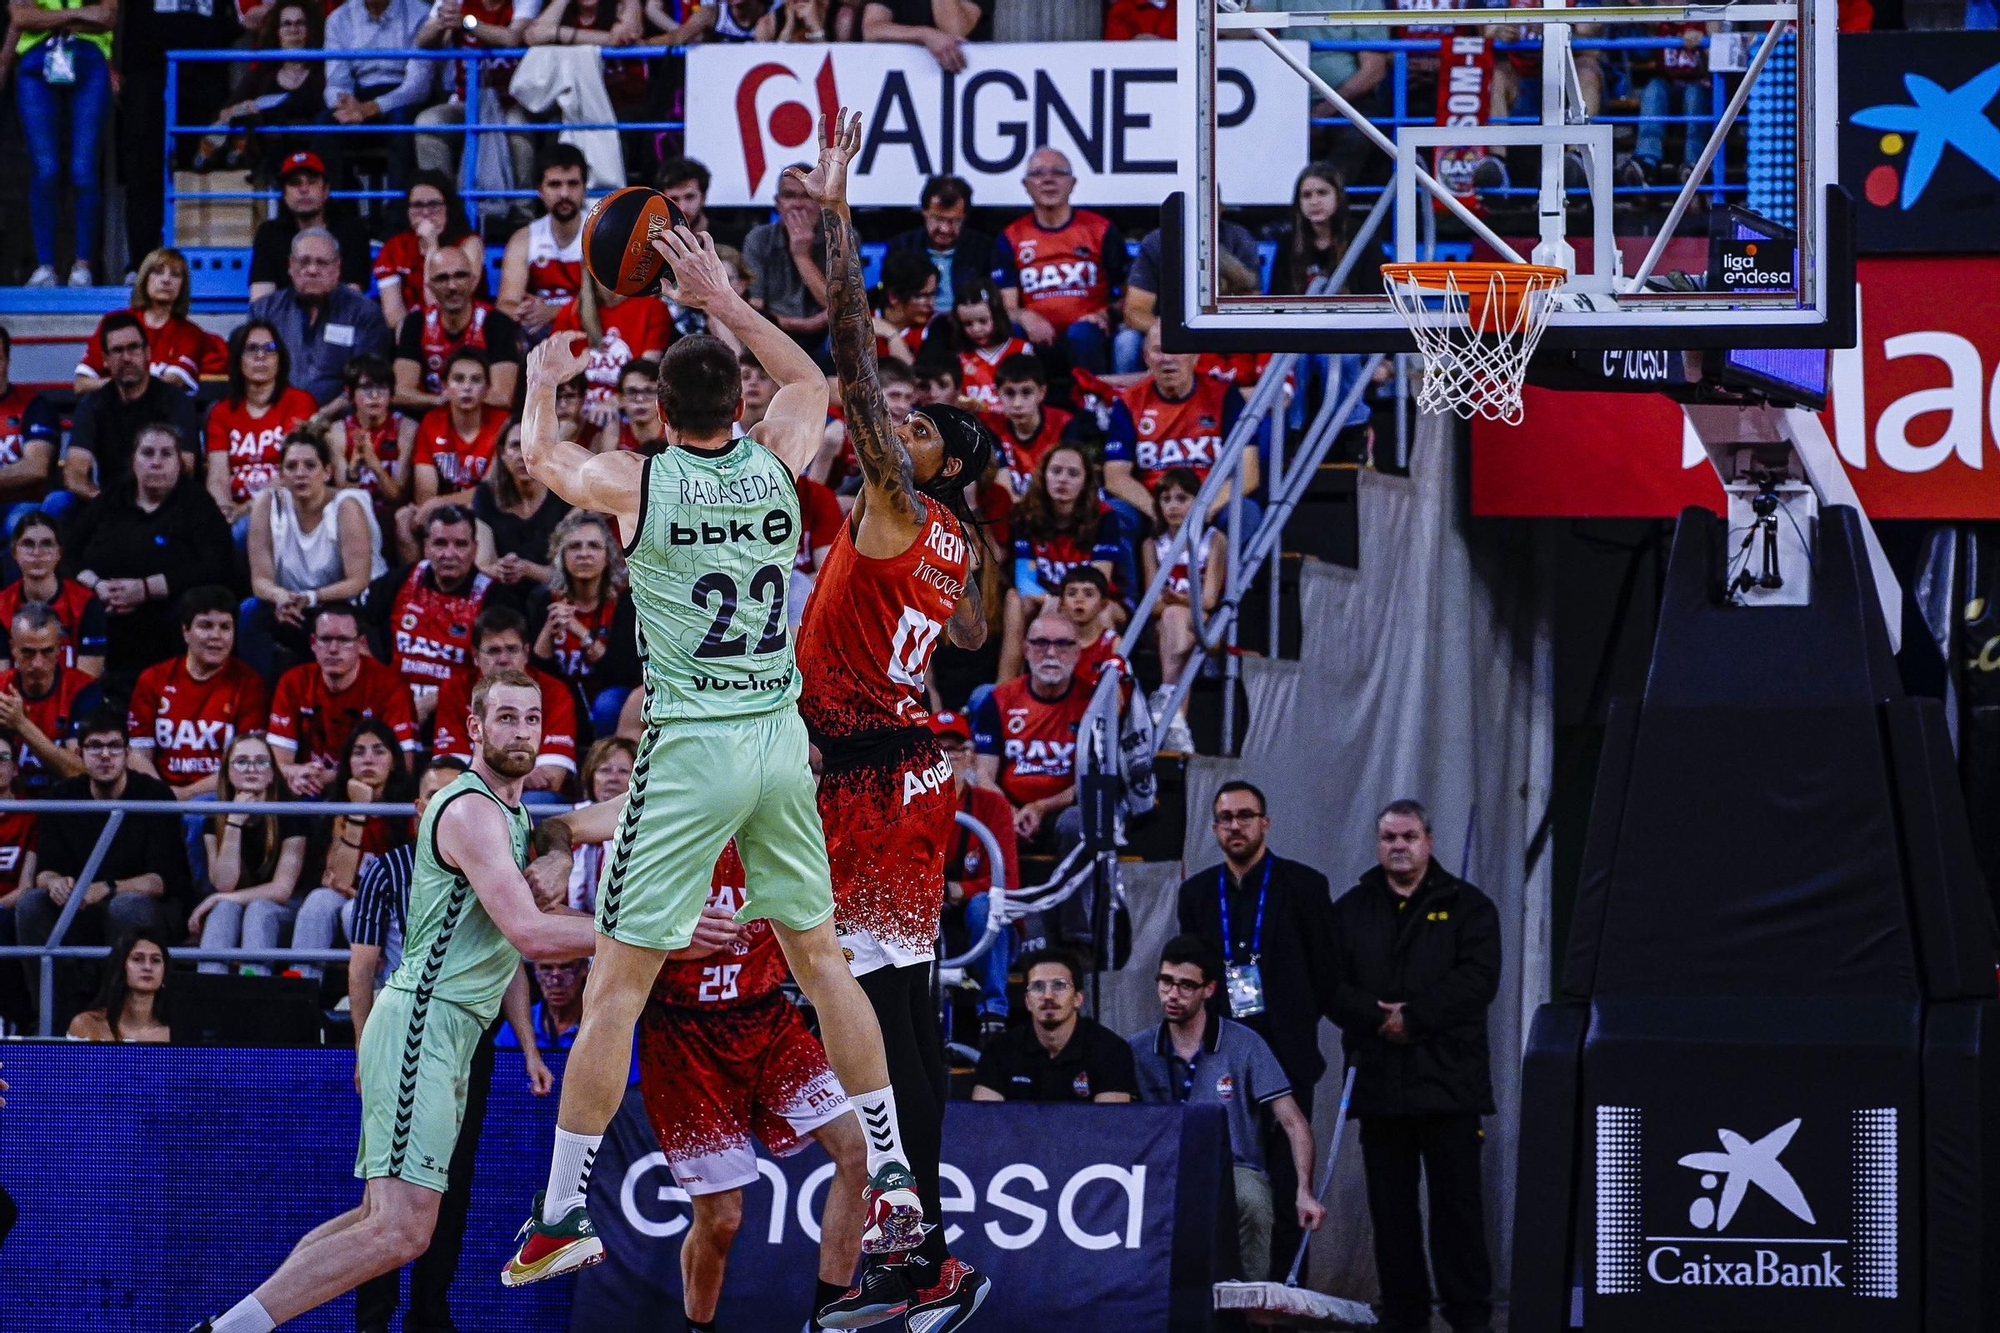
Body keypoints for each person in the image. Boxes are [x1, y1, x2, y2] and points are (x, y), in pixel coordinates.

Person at [503, 193, 926, 1293]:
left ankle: (557, 1212)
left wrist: (544, 380)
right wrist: (723, 297)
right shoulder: (781, 456)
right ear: (733, 396)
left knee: (616, 988)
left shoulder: (636, 483)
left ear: (654, 410)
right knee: (822, 961)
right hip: (780, 739)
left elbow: (536, 454)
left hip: (689, 747)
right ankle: (894, 1177)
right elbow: (811, 381)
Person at [190, 672, 599, 1333]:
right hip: (422, 1023)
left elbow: (518, 932)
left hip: (450, 1032)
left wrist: (561, 845)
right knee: (402, 1232)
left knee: (377, 1221)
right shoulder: (470, 809)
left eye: (532, 718)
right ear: (474, 726)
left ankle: (234, 1325)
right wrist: (646, 939)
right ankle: (225, 1331)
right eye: (506, 718)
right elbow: (531, 934)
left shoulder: (515, 816)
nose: (522, 731)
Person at [787, 113, 999, 1326]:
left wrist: (838, 220)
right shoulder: (960, 546)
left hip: (873, 780)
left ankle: (915, 1252)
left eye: (920, 432)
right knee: (902, 1017)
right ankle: (924, 1250)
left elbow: (855, 362)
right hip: (911, 770)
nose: (896, 426)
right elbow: (968, 640)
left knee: (876, 1018)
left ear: (939, 463)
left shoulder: (898, 503)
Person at [541, 811, 872, 1332]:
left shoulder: (788, 807)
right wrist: (663, 929)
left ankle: (827, 1319)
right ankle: (700, 1328)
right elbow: (561, 826)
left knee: (862, 1151)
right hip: (682, 1035)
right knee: (722, 1219)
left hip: (765, 1017)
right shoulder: (663, 805)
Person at [346, 756, 553, 1333]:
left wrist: (530, 1048)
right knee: (387, 1205)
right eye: (439, 795)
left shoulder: (500, 842)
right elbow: (361, 967)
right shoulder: (389, 869)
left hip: (469, 1032)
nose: (457, 805)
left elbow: (509, 954)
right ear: (422, 808)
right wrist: (364, 1047)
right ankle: (372, 1320)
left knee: (450, 1184)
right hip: (414, 1027)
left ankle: (429, 1311)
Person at [1327, 799, 1499, 1333]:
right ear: (1377, 843)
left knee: (1458, 1211)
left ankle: (1469, 1316)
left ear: (1429, 839)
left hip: (1451, 1084)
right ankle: (1405, 1315)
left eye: (1408, 837)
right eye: (1388, 838)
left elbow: (1478, 982)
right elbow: (1330, 983)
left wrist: (1415, 1018)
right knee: (1391, 1212)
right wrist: (1375, 1019)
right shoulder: (1351, 909)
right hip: (1381, 1084)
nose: (1398, 847)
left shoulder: (1470, 907)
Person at [1129, 934, 1325, 1282]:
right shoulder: (1137, 1049)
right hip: (1159, 1167)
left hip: (1232, 1166)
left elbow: (1294, 1122)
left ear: (1209, 989)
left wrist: (1304, 1191)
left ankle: (1249, 1307)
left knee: (1252, 1200)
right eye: (1166, 982)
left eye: (1187, 985)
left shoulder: (1244, 1043)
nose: (1172, 994)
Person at [19, 712, 189, 1016]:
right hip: (81, 906)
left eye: (114, 746)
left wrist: (107, 888)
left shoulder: (154, 795)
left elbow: (161, 880)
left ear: (127, 753)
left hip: (148, 907)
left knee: (125, 907)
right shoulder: (62, 797)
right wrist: (54, 883)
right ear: (79, 754)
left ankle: (119, 1017)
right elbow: (44, 871)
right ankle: (54, 1021)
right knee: (32, 904)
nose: (106, 755)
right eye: (95, 747)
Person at [70, 423, 234, 684]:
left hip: (166, 615)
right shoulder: (112, 498)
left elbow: (218, 565)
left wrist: (147, 588)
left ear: (180, 463)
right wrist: (96, 585)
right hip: (103, 607)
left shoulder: (197, 503)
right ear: (133, 461)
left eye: (166, 454)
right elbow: (66, 552)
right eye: (147, 453)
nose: (156, 462)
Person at [246, 432, 386, 677]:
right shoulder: (266, 504)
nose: (300, 473)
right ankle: (259, 700)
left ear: (327, 472)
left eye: (310, 465)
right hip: (294, 604)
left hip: (346, 603)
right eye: (291, 466)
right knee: (250, 613)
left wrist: (311, 597)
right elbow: (260, 580)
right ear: (280, 475)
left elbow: (358, 580)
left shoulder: (346, 506)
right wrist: (281, 597)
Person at [1104, 324, 1257, 527]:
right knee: (1116, 513)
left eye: (1177, 349)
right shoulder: (1128, 402)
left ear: (1195, 356)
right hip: (1154, 505)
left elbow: (1249, 473)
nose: (1168, 358)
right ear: (1146, 357)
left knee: (1245, 511)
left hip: (1209, 502)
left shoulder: (1225, 396)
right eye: (1159, 350)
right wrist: (1158, 511)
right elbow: (1115, 476)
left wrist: (1203, 509)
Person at [999, 445, 1128, 681]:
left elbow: (1097, 583)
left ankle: (1100, 689)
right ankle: (1007, 689)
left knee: (1100, 612)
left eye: (1073, 473)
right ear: (1043, 475)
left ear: (1086, 481)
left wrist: (1062, 602)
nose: (1063, 480)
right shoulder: (1026, 515)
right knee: (1014, 600)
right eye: (1056, 471)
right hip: (1045, 597)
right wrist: (1051, 600)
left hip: (1096, 599)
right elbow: (1024, 579)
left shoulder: (1104, 516)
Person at [127, 587, 269, 799]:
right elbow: (138, 754)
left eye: (225, 627)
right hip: (159, 793)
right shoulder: (153, 679)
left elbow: (246, 764)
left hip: (218, 795)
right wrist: (163, 795)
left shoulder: (250, 684)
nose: (216, 636)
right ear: (186, 631)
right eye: (205, 626)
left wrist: (185, 795)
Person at [11, 0, 116, 288]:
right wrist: (79, 15)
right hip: (35, 62)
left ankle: (83, 267)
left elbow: (106, 17)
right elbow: (20, 16)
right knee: (45, 169)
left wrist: (43, 18)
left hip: (89, 62)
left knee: (84, 171)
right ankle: (46, 266)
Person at [267, 601, 420, 795]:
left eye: (344, 640)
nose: (333, 649)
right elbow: (276, 763)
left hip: (369, 795)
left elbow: (402, 766)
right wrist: (296, 773)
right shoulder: (293, 682)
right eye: (325, 639)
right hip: (308, 792)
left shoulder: (390, 686)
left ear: (360, 644)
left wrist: (334, 778)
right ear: (313, 643)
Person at [189, 733, 310, 974]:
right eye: (241, 761)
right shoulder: (213, 822)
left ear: (272, 773)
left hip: (287, 912)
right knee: (223, 910)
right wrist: (234, 822)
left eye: (261, 761)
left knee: (258, 909)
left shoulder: (293, 816)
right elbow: (225, 884)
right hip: (235, 909)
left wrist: (216, 898)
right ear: (228, 772)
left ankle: (256, 995)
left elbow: (281, 890)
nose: (251, 769)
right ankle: (206, 995)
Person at [430, 605, 579, 799]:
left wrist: (487, 774)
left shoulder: (554, 691)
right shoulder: (455, 689)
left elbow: (551, 779)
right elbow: (449, 774)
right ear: (475, 656)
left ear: (526, 652)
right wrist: (520, 772)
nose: (503, 659)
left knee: (539, 798)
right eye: (493, 651)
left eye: (512, 649)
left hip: (530, 798)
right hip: (473, 796)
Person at [1002, 147, 1128, 373]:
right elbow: (1007, 306)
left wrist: (1104, 314)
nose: (1048, 180)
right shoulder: (1011, 237)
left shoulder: (1100, 229)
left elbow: (1129, 295)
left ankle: (1093, 403)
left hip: (1088, 333)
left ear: (1073, 182)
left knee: (1083, 335)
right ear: (1025, 185)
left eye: (1058, 172)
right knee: (1011, 330)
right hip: (1035, 335)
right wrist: (1025, 316)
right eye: (1038, 173)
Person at [974, 607, 1090, 852]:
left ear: (1077, 652)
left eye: (1062, 645)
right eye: (1040, 643)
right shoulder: (999, 700)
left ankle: (1075, 892)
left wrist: (1040, 807)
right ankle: (987, 891)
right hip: (1010, 804)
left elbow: (1090, 781)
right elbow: (984, 775)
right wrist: (1010, 811)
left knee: (1077, 823)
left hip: (1064, 807)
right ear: (1026, 650)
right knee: (986, 816)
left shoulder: (1092, 703)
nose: (1051, 653)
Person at [366, 504, 493, 720]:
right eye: (440, 543)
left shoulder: (494, 597)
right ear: (426, 547)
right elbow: (361, 636)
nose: (449, 554)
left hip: (459, 709)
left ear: (474, 549)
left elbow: (498, 668)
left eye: (460, 545)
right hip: (392, 703)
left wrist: (435, 700)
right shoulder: (396, 583)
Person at [248, 227, 395, 406]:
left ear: (337, 267)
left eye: (322, 263)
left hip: (340, 419)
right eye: (304, 262)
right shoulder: (265, 310)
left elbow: (366, 380)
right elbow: (251, 371)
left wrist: (320, 418)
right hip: (277, 413)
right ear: (290, 266)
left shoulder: (364, 313)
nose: (312, 270)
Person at [936, 710, 1017, 1034]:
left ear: (969, 756)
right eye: (937, 750)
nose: (947, 760)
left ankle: (993, 1012)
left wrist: (958, 891)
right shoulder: (906, 804)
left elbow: (1006, 879)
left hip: (972, 910)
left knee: (987, 905)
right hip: (925, 909)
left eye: (954, 750)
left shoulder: (992, 805)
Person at [62, 313, 200, 503]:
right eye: (118, 350)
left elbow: (185, 467)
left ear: (147, 353)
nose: (126, 357)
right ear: (105, 359)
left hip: (166, 502)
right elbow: (75, 472)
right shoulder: (93, 404)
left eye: (134, 348)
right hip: (108, 504)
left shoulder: (175, 400)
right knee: (58, 502)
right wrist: (103, 503)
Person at [971, 947, 1137, 1101]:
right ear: (1027, 1001)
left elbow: (1112, 1127)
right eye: (1038, 986)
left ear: (1078, 999)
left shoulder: (1111, 1051)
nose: (1048, 995)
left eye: (1059, 985)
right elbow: (986, 1124)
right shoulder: (999, 1051)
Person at [185, 0, 323, 181]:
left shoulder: (324, 72)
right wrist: (236, 110)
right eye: (286, 24)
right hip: (273, 162)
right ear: (277, 32)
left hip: (315, 158)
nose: (293, 30)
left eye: (300, 24)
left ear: (309, 30)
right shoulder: (262, 75)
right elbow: (226, 114)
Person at [204, 319, 321, 531]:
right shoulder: (221, 412)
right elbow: (218, 476)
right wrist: (224, 511)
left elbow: (291, 472)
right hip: (236, 511)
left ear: (280, 360)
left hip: (285, 509)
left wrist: (246, 509)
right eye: (251, 349)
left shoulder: (299, 402)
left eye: (270, 348)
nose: (261, 356)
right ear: (238, 360)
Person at [1141, 468, 1224, 754]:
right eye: (1166, 499)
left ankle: (1167, 698)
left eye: (1182, 498)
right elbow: (1152, 603)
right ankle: (1174, 717)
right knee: (1171, 618)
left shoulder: (1214, 539)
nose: (1173, 506)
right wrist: (1181, 602)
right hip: (1167, 624)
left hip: (1203, 621)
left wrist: (1177, 599)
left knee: (1175, 617)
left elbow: (1210, 600)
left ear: (1197, 502)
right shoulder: (1151, 545)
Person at [528, 510, 639, 715]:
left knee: (608, 704)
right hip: (562, 698)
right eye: (574, 546)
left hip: (609, 701)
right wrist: (548, 630)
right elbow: (537, 672)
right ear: (561, 555)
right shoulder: (545, 600)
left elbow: (619, 674)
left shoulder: (624, 603)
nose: (584, 553)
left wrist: (581, 633)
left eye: (594, 546)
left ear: (608, 556)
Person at [74, 248, 227, 395]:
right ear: (145, 279)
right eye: (158, 272)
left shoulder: (190, 333)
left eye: (175, 275)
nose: (166, 280)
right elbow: (81, 384)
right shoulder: (114, 322)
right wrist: (123, 388)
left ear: (182, 286)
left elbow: (172, 382)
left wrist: (121, 384)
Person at [317, 0, 434, 190]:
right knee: (325, 124)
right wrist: (344, 104)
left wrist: (372, 107)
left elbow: (418, 86)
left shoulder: (420, 14)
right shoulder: (339, 18)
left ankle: (398, 213)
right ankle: (337, 211)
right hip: (358, 94)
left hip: (402, 96)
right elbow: (335, 82)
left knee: (402, 122)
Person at [393, 243, 522, 412]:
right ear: (429, 286)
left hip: (484, 420)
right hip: (432, 415)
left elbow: (503, 397)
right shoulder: (416, 322)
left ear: (473, 280)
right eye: (442, 278)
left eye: (460, 276)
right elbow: (402, 392)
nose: (452, 286)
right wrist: (440, 400)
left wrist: (454, 399)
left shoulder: (496, 323)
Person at [1119, 220, 1262, 372]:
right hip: (1169, 331)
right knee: (1127, 341)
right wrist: (1171, 332)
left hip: (1222, 330)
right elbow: (1134, 312)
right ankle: (1132, 394)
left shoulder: (1237, 239)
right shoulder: (1157, 243)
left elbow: (1251, 308)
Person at [315, 717, 418, 904]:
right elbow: (340, 880)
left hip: (394, 902)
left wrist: (359, 897)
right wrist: (357, 811)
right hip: (347, 899)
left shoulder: (409, 809)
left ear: (394, 762)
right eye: (359, 753)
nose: (368, 760)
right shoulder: (337, 808)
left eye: (378, 752)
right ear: (348, 763)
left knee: (350, 913)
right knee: (320, 899)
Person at [247, 151, 376, 299]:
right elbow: (261, 300)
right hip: (282, 319)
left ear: (326, 190)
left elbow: (351, 300)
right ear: (284, 193)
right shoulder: (269, 233)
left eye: (312, 181)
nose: (303, 189)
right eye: (295, 183)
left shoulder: (353, 231)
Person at [408, 350, 512, 531]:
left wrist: (439, 502)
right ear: (444, 386)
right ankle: (421, 561)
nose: (467, 387)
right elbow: (425, 493)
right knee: (404, 518)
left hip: (489, 509)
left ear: (487, 388)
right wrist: (435, 506)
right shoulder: (431, 422)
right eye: (458, 379)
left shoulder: (502, 424)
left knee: (476, 509)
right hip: (442, 513)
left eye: (476, 380)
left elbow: (491, 490)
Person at [884, 176, 1016, 317]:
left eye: (955, 221)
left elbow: (1006, 304)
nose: (945, 229)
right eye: (938, 219)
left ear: (965, 216)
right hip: (915, 327)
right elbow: (891, 301)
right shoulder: (902, 246)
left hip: (968, 328)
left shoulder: (986, 248)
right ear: (924, 211)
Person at [374, 172, 488, 334]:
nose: (426, 213)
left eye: (434, 205)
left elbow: (439, 306)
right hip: (412, 331)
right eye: (418, 205)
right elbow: (393, 314)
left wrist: (431, 248)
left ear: (448, 207)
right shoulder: (394, 247)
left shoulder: (470, 244)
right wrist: (410, 338)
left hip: (465, 330)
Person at [0, 601, 93, 797]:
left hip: (67, 807)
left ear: (59, 648)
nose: (37, 663)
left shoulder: (83, 690)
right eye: (28, 652)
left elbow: (80, 774)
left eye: (47, 651)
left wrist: (21, 725)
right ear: (13, 648)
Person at [498, 145, 589, 340]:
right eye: (555, 185)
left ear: (584, 188)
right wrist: (526, 311)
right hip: (538, 332)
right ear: (539, 189)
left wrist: (555, 311)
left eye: (572, 184)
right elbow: (506, 304)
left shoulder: (599, 234)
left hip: (588, 329)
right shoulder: (524, 239)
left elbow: (610, 303)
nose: (564, 193)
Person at [0, 515, 107, 679]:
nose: (37, 553)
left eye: (47, 544)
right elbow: (1, 679)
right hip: (13, 701)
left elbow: (87, 680)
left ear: (59, 552)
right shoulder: (1, 606)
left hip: (72, 701)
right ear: (14, 551)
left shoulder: (86, 604)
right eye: (28, 544)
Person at [475, 422, 572, 601]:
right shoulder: (486, 496)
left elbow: (571, 575)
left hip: (556, 597)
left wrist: (527, 569)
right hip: (502, 595)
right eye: (516, 446)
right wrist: (502, 570)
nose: (525, 456)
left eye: (533, 446)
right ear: (502, 453)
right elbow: (482, 565)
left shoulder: (567, 495)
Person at [742, 168, 830, 350]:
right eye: (789, 196)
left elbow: (840, 307)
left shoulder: (843, 237)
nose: (798, 204)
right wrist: (798, 325)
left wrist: (801, 255)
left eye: (807, 196)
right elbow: (755, 306)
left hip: (827, 334)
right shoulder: (758, 238)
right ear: (778, 203)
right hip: (773, 331)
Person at [326, 355, 417, 516]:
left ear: (392, 392)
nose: (375, 395)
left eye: (382, 387)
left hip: (393, 516)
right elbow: (345, 499)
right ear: (349, 393)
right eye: (366, 387)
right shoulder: (337, 432)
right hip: (355, 517)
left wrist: (374, 464)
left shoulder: (406, 428)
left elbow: (398, 499)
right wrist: (354, 466)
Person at [984, 353, 1079, 498]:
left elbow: (1068, 488)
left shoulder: (1063, 423)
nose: (1017, 404)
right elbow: (1005, 492)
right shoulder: (992, 427)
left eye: (1026, 392)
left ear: (1041, 393)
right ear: (997, 394)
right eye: (1009, 393)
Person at [66, 928, 172, 1042]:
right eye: (137, 959)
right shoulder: (87, 1024)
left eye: (155, 960)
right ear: (120, 966)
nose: (148, 967)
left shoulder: (176, 1029)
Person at [1266, 163, 1350, 297]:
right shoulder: (1288, 242)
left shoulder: (1361, 238)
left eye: (1322, 193)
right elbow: (1277, 297)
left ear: (1338, 196)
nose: (1314, 201)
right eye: (1306, 195)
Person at [946, 283, 1032, 412]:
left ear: (998, 317)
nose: (976, 329)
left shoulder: (1022, 349)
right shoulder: (960, 357)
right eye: (968, 324)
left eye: (983, 321)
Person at [0, 328, 55, 525]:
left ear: (7, 361)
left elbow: (36, 468)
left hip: (21, 504)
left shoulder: (34, 406)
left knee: (18, 523)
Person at [859, 0, 983, 70]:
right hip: (899, 75)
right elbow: (871, 30)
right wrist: (925, 34)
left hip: (960, 79)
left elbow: (954, 31)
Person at [497, 956, 587, 1049]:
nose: (555, 981)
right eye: (546, 969)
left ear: (584, 968)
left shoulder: (599, 1021)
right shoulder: (518, 1023)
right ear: (534, 971)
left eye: (566, 968)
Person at [872, 249, 937, 364]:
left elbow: (917, 380)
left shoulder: (936, 327)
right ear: (894, 297)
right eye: (923, 296)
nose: (931, 303)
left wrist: (892, 335)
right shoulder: (859, 323)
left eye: (933, 294)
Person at [591, 357, 667, 455]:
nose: (640, 399)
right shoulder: (613, 433)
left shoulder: (675, 433)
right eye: (632, 392)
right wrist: (609, 445)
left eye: (649, 391)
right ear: (620, 399)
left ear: (662, 396)